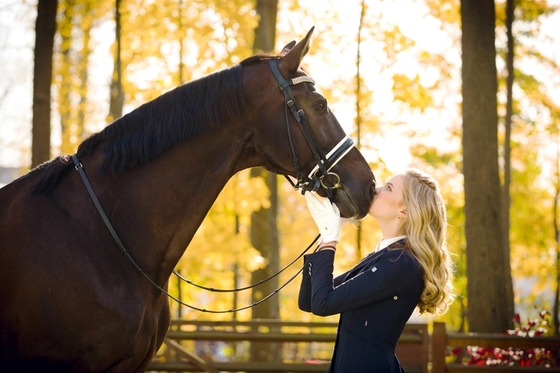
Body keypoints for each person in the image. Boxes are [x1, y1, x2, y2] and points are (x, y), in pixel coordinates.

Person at [298, 168, 454, 373]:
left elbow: (322, 303)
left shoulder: (401, 263)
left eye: (388, 188)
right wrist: (324, 237)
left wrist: (330, 240)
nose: (376, 189)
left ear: (404, 211)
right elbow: (309, 301)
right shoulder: (384, 256)